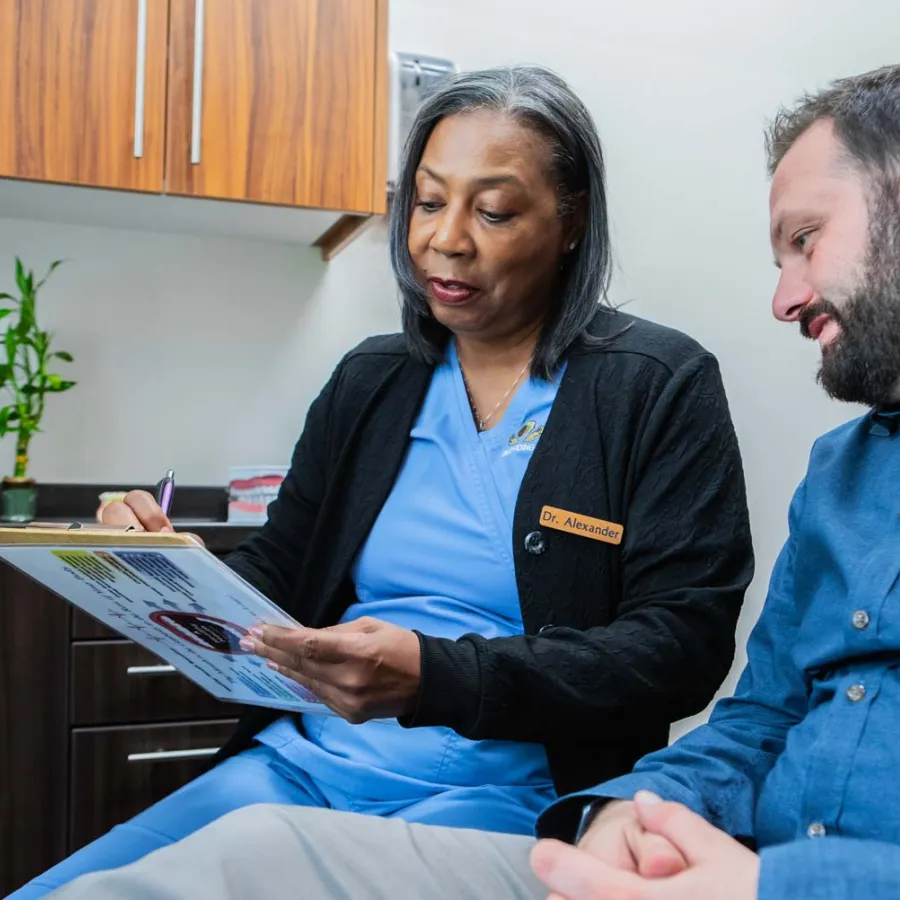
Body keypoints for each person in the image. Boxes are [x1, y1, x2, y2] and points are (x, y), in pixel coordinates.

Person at [41, 60, 900, 900]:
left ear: (570, 222)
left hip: (505, 795)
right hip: (306, 762)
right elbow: (282, 575)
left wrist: (440, 678)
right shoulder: (368, 382)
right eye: (425, 201)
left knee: (235, 863)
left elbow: (682, 646)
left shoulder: (652, 383)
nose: (445, 238)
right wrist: (166, 567)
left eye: (492, 210)